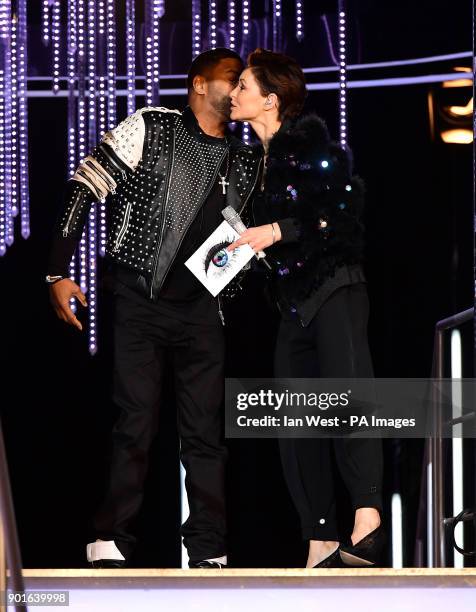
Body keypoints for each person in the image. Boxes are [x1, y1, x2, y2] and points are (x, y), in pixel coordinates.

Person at [46, 48, 262, 569]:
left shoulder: (247, 158)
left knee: (206, 434)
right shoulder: (152, 125)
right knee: (136, 421)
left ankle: (209, 549)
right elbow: (85, 185)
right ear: (197, 84)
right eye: (230, 79)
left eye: (243, 83)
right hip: (140, 299)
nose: (235, 90)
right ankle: (111, 539)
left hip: (204, 311)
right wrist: (56, 270)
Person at [228, 49, 385, 568]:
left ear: (270, 100)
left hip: (335, 288)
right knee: (295, 419)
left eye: (244, 87)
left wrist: (276, 232)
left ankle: (366, 515)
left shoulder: (309, 146)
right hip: (292, 303)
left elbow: (341, 214)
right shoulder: (252, 165)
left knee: (348, 396)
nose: (234, 94)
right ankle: (319, 535)